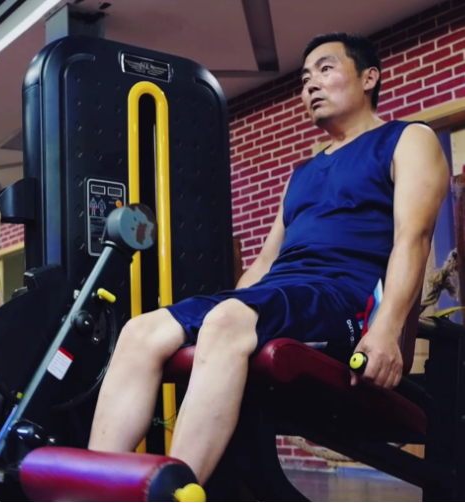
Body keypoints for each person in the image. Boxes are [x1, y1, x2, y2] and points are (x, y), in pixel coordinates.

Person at [87, 32, 450, 486]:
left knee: (228, 320)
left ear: (369, 78)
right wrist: (228, 311)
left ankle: (177, 492)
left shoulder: (407, 139)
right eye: (304, 79)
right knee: (141, 332)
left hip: (344, 298)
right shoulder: (302, 174)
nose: (310, 84)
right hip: (283, 295)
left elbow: (413, 240)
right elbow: (263, 264)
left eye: (325, 69)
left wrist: (387, 331)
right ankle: (95, 489)